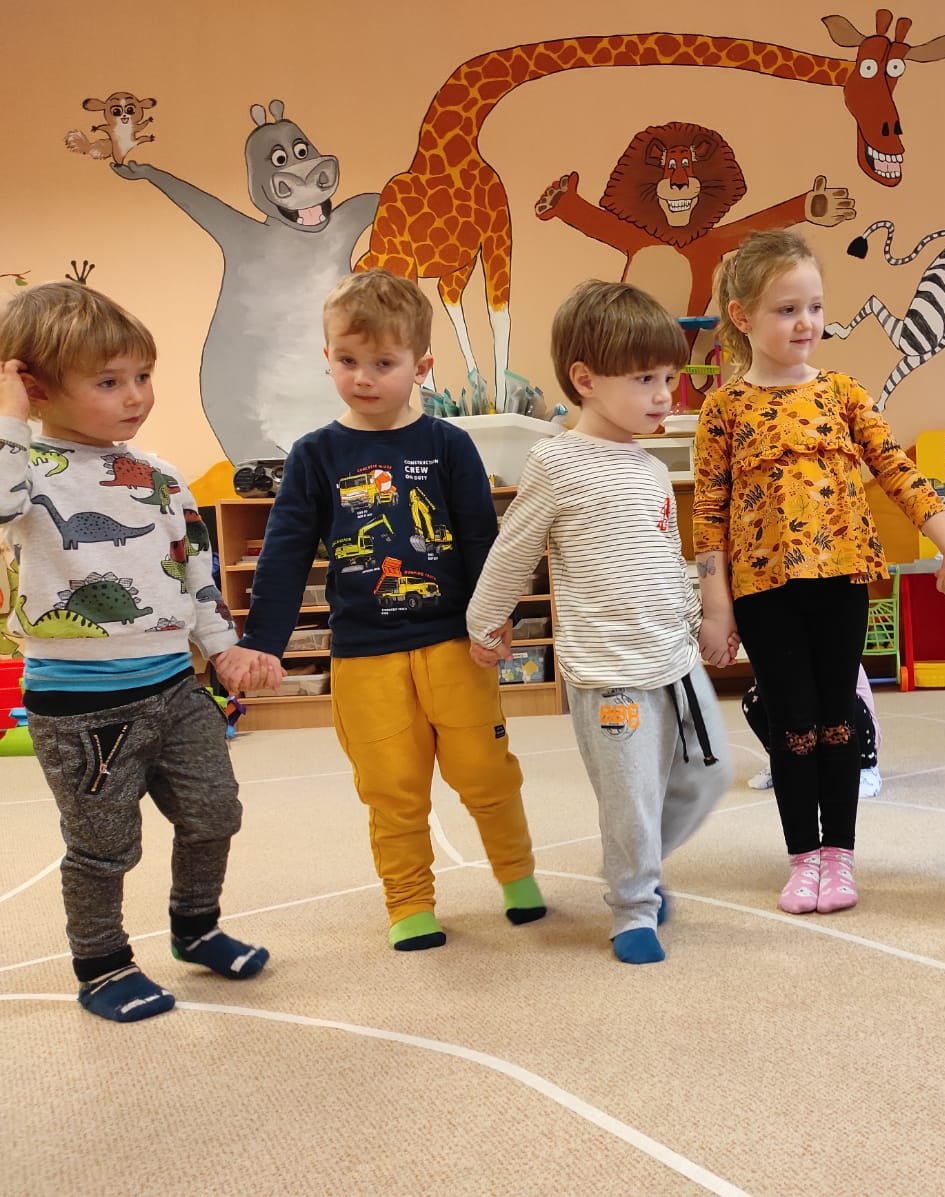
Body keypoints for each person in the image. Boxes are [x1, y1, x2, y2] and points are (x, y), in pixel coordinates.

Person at [240, 269, 544, 952]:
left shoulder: (448, 444)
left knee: (485, 771)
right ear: (328, 357)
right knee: (391, 786)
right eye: (348, 361)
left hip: (454, 644)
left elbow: (481, 541)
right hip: (364, 655)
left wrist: (493, 619)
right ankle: (409, 903)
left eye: (384, 363)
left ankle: (517, 873)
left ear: (421, 366)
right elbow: (285, 553)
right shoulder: (314, 455)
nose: (364, 377)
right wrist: (263, 640)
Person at [0, 282, 278, 1022]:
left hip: (176, 687)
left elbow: (193, 571)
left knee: (215, 811)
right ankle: (102, 965)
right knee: (103, 846)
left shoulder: (158, 475)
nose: (136, 396)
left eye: (143, 376)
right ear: (35, 386)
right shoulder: (23, 468)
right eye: (108, 381)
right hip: (81, 705)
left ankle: (196, 927)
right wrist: (9, 415)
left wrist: (223, 650)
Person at [694, 229, 945, 915]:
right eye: (786, 309)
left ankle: (840, 856)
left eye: (815, 307)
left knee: (837, 719)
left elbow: (900, 473)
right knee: (791, 724)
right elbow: (708, 515)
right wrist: (716, 607)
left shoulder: (842, 392)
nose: (806, 323)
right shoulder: (725, 408)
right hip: (765, 591)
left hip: (843, 579)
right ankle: (803, 857)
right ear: (742, 316)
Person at [467, 280, 731, 965]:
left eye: (669, 378)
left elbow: (665, 557)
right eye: (645, 379)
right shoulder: (555, 462)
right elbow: (513, 549)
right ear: (585, 380)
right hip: (609, 672)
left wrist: (699, 618)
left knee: (708, 774)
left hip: (673, 658)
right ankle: (634, 905)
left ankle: (633, 861)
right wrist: (486, 621)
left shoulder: (649, 467)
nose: (664, 395)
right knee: (629, 797)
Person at [744, 664, 883, 798]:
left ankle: (867, 766)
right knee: (757, 699)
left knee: (839, 696)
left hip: (848, 730)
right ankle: (781, 762)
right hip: (808, 734)